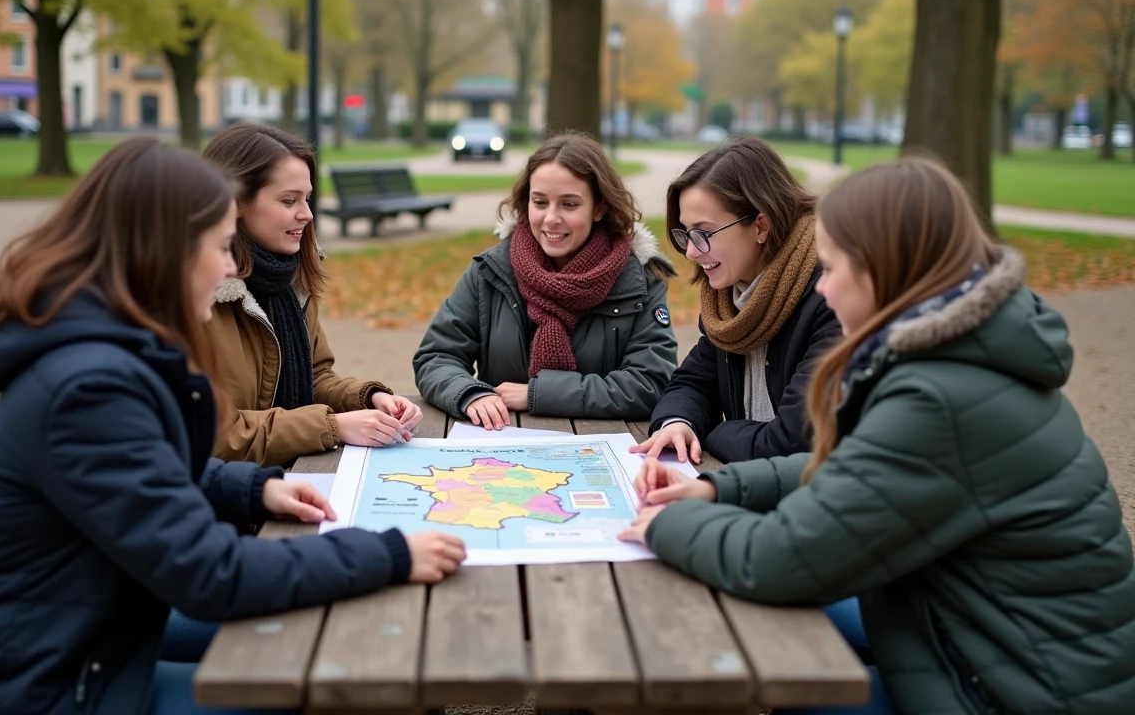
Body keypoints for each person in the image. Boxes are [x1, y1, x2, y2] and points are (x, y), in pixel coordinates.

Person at [0, 139, 466, 715]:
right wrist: (387, 553)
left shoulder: (108, 349)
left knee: (350, 634)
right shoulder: (87, 388)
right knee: (353, 667)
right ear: (160, 252)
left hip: (102, 636)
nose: (227, 268)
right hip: (57, 686)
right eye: (219, 246)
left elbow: (152, 471)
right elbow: (210, 572)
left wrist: (250, 488)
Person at [620, 158, 1135, 715]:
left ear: (886, 271)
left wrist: (674, 523)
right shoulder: (955, 357)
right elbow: (858, 468)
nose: (826, 286)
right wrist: (721, 491)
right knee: (789, 642)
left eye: (835, 266)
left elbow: (783, 558)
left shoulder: (938, 396)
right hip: (978, 637)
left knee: (797, 678)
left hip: (1016, 687)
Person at [413, 133, 678, 425]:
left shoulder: (639, 282)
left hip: (601, 447)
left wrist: (537, 394)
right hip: (501, 442)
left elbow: (650, 384)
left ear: (599, 208)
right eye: (540, 202)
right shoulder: (489, 271)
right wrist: (470, 393)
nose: (551, 218)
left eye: (569, 204)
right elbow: (437, 357)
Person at [202, 122, 421, 466]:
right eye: (289, 200)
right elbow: (215, 434)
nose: (306, 214)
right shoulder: (197, 295)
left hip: (281, 477)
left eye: (307, 198)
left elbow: (313, 376)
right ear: (236, 203)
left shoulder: (291, 277)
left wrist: (368, 399)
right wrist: (331, 425)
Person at [633, 137, 840, 464]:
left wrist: (713, 431)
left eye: (703, 233)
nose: (690, 251)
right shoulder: (729, 303)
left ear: (760, 225)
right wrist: (678, 423)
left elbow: (790, 443)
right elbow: (691, 383)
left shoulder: (831, 301)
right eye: (685, 234)